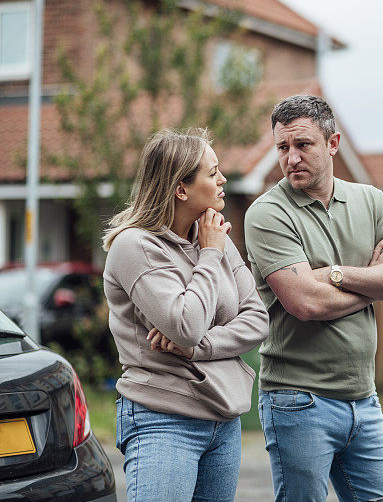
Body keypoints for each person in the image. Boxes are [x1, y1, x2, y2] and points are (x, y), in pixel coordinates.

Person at [244, 95, 383, 501]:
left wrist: (337, 276)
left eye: (303, 145)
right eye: (283, 148)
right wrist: (374, 287)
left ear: (333, 143)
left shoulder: (370, 200)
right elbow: (307, 304)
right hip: (298, 400)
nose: (291, 159)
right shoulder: (268, 213)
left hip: (365, 398)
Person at [103, 128, 269, 502]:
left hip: (223, 419)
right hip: (163, 419)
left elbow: (257, 319)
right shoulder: (136, 246)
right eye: (212, 173)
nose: (223, 179)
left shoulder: (212, 235)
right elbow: (186, 324)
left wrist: (197, 349)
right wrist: (210, 255)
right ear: (181, 189)